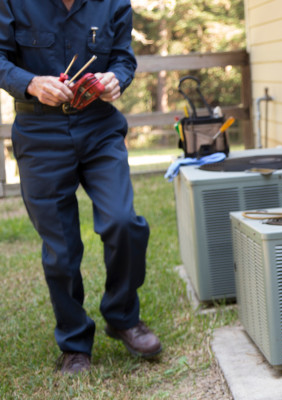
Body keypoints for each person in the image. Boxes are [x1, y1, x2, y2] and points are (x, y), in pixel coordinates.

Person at [0, 0, 161, 374]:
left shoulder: (114, 4)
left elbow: (124, 58)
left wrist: (116, 78)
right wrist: (31, 83)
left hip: (100, 127)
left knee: (123, 222)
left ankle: (122, 317)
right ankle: (75, 344)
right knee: (60, 246)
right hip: (40, 131)